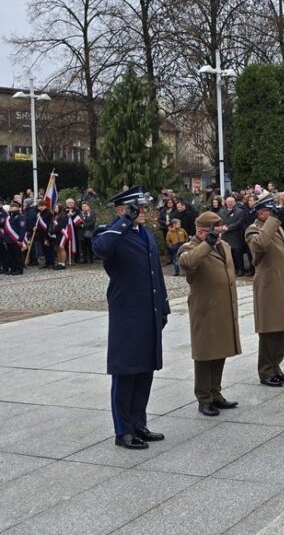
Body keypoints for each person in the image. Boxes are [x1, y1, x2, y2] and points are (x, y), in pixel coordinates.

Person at [92, 186, 169, 449]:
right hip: (127, 314)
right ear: (123, 209)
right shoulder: (110, 232)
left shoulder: (145, 233)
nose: (144, 212)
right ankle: (122, 430)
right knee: (125, 372)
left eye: (145, 208)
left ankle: (138, 423)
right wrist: (124, 221)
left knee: (145, 370)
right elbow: (101, 248)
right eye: (139, 208)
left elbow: (155, 273)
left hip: (149, 311)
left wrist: (164, 306)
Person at [178, 211, 243, 416]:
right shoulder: (190, 247)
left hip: (224, 307)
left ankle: (216, 393)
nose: (219, 235)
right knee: (205, 354)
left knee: (220, 351)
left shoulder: (223, 246)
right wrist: (207, 244)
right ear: (201, 231)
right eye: (214, 231)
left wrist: (215, 242)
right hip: (205, 309)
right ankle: (204, 398)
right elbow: (187, 263)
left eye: (220, 230)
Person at [245, 192, 284, 387]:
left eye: (272, 211)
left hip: (281, 284)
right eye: (268, 211)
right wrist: (272, 222)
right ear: (259, 213)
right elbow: (260, 245)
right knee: (269, 330)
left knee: (281, 327)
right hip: (268, 286)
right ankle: (265, 370)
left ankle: (276, 366)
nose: (272, 214)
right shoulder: (253, 230)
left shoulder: (275, 228)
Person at [219, 196, 247, 277]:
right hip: (225, 236)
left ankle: (241, 270)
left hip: (236, 235)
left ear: (234, 202)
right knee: (229, 254)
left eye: (232, 202)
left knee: (237, 254)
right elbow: (219, 221)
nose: (230, 203)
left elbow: (239, 222)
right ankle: (232, 270)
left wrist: (228, 227)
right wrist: (222, 227)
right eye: (228, 202)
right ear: (226, 202)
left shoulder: (240, 211)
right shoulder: (221, 211)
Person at [2, 201, 26, 275]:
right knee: (11, 255)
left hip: (16, 239)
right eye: (11, 207)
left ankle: (19, 269)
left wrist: (20, 239)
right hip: (9, 240)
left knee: (17, 255)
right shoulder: (9, 217)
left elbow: (22, 229)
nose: (11, 208)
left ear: (18, 208)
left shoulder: (20, 217)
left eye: (13, 207)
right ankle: (13, 268)